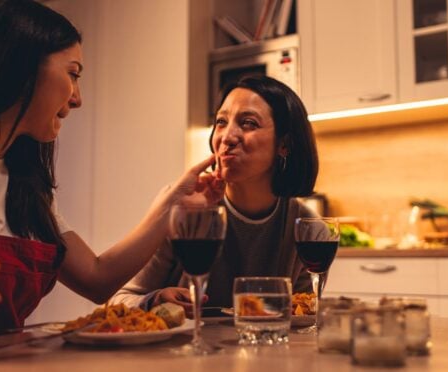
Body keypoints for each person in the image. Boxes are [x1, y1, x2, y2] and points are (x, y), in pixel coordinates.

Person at [0, 0, 223, 358]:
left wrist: (173, 203)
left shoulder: (24, 183)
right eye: (73, 74)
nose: (77, 98)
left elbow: (97, 279)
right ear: (20, 68)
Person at [112, 75, 320, 314]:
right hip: (183, 349)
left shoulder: (305, 227)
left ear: (284, 145)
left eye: (249, 123)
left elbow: (303, 314)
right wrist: (155, 299)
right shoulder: (186, 211)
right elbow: (120, 298)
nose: (227, 137)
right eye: (221, 122)